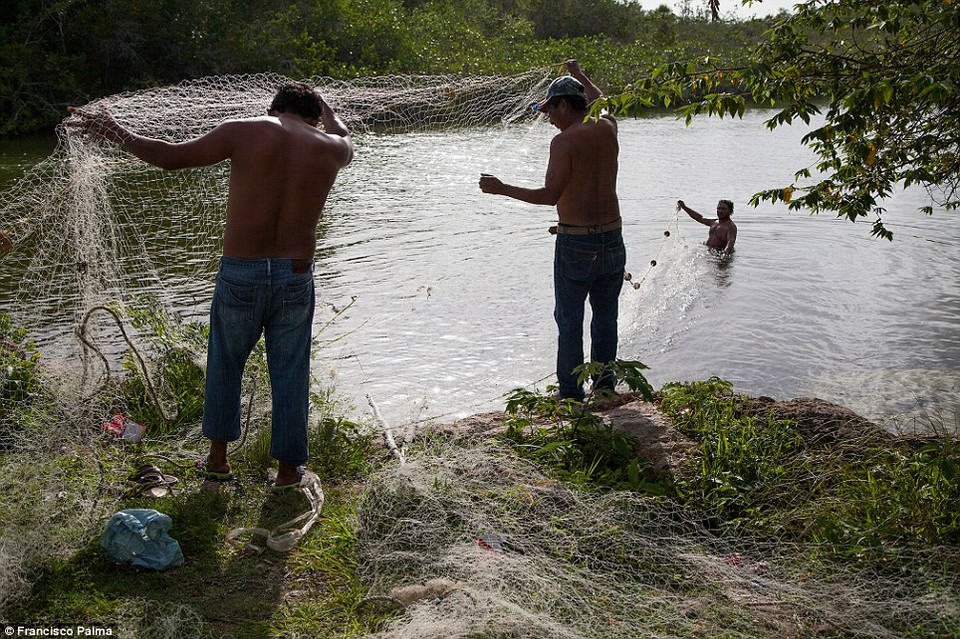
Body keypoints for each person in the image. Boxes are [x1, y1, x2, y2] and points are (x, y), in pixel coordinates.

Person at [65, 82, 353, 489]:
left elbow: (170, 157)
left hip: (242, 271)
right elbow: (343, 133)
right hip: (295, 274)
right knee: (290, 373)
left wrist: (115, 131)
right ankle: (288, 473)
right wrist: (327, 109)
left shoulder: (244, 129)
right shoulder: (332, 147)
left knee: (225, 365)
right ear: (313, 116)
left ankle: (217, 464)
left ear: (274, 109)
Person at [479, 60, 625, 401]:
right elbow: (601, 100)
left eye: (551, 109)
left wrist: (502, 188)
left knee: (569, 321)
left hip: (576, 244)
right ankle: (604, 391)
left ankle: (571, 395)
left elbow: (549, 197)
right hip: (614, 240)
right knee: (606, 319)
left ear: (564, 104)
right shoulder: (608, 127)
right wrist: (579, 75)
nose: (549, 118)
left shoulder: (564, 142)